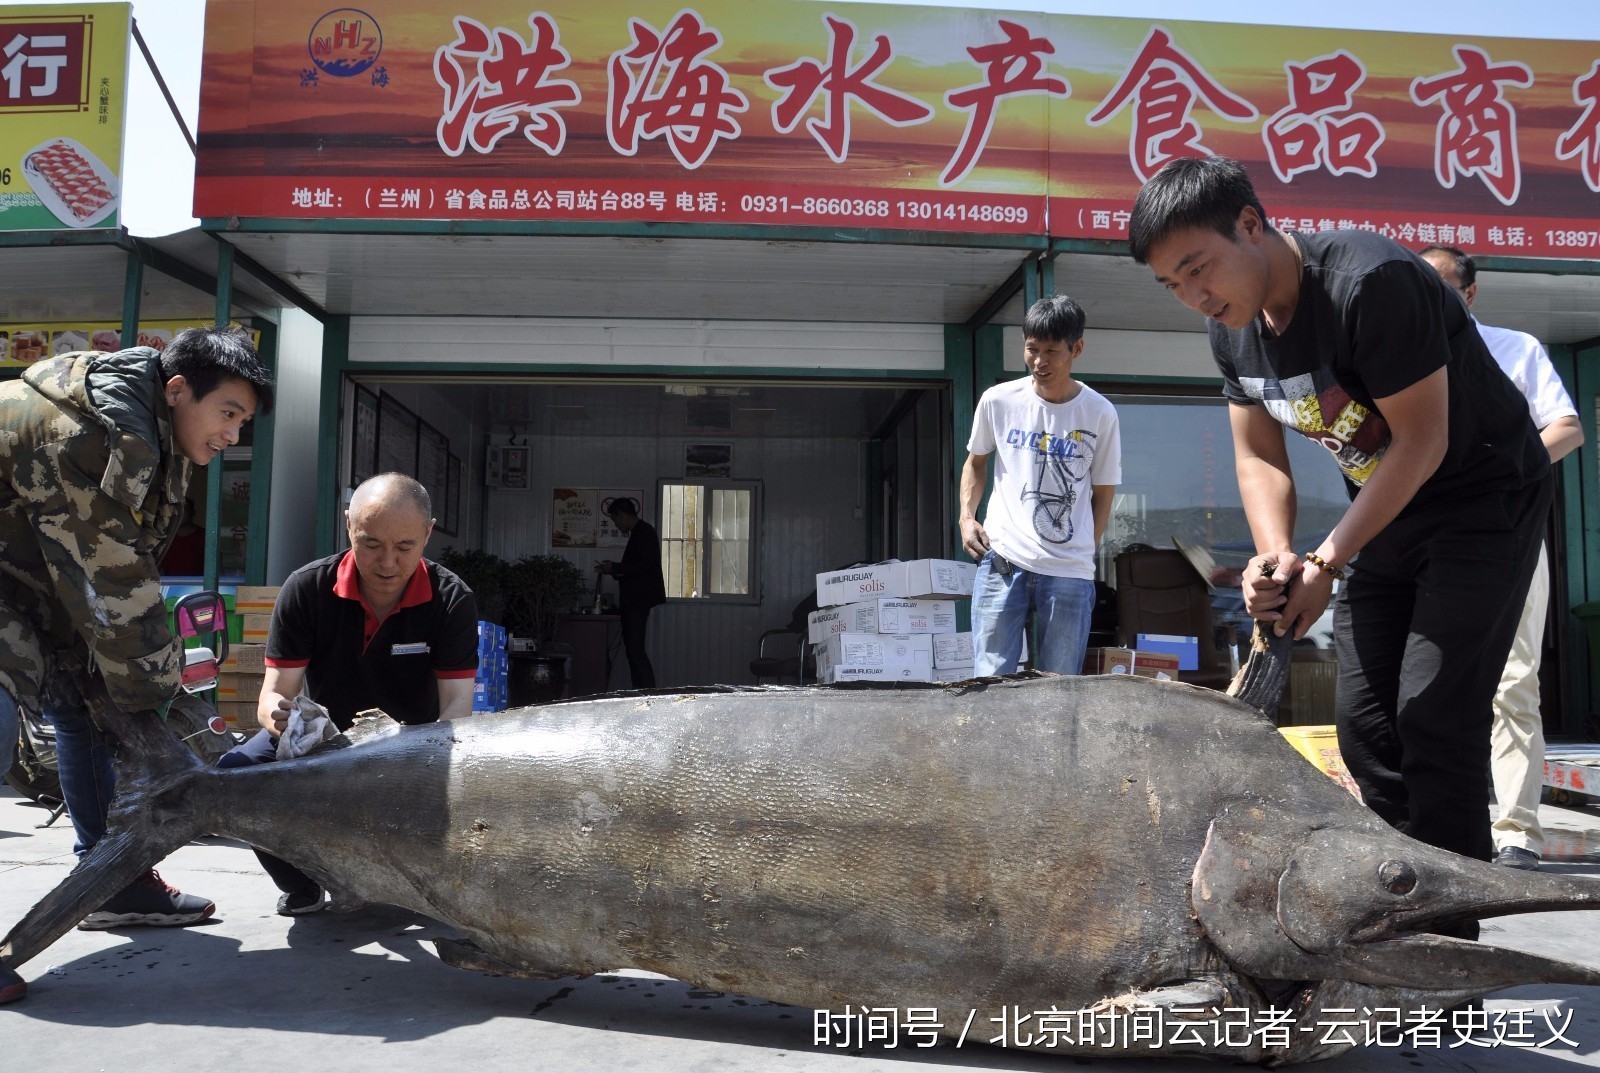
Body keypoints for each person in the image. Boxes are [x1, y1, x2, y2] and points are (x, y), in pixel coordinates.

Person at [1129, 157, 1549, 888]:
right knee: (1365, 729)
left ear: (1251, 225)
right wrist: (1276, 559)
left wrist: (1324, 563)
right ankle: (1388, 921)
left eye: (1200, 268)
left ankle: (1451, 957)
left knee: (1432, 720)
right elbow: (1259, 458)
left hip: (1480, 501)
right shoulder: (1233, 333)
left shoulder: (1368, 282)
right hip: (1383, 514)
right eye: (1172, 285)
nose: (1195, 297)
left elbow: (1423, 440)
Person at [0, 326, 274, 1003]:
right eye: (229, 413)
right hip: (24, 574)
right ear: (179, 389)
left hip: (35, 571)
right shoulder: (92, 436)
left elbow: (127, 561)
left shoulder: (156, 426)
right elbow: (119, 585)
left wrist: (150, 691)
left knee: (88, 704)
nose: (233, 435)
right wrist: (176, 713)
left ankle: (115, 879)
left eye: (243, 420)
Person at [217, 473, 479, 915]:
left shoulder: (451, 599)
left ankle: (426, 886)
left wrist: (422, 759)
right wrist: (278, 718)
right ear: (348, 527)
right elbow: (273, 693)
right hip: (326, 742)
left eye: (405, 547)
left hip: (415, 746)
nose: (388, 563)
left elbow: (458, 705)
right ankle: (303, 881)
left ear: (428, 534)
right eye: (371, 543)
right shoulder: (307, 589)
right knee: (235, 773)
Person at [1420, 244, 1583, 871]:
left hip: (1507, 536)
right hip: (1423, 544)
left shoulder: (1515, 349)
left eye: (1442, 288)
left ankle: (1516, 830)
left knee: (1513, 683)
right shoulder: (1395, 356)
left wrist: (1496, 476)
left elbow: (1566, 427)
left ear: (1470, 294)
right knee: (1427, 684)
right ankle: (1432, 827)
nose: (1431, 301)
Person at [959, 295, 1122, 676]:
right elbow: (975, 462)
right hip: (1002, 561)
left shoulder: (1100, 413)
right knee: (989, 680)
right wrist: (967, 517)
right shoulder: (998, 401)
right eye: (1032, 349)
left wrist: (1084, 547)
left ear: (1076, 348)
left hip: (1069, 572)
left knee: (1059, 689)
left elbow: (1104, 491)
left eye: (1052, 351)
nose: (1039, 361)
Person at [596, 497, 665, 688]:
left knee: (635, 651)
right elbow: (637, 567)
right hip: (635, 600)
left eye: (615, 519)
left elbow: (642, 566)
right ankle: (642, 692)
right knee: (633, 651)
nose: (616, 525)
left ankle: (648, 694)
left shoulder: (643, 533)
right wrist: (614, 569)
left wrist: (615, 568)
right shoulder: (641, 532)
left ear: (623, 515)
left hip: (638, 600)